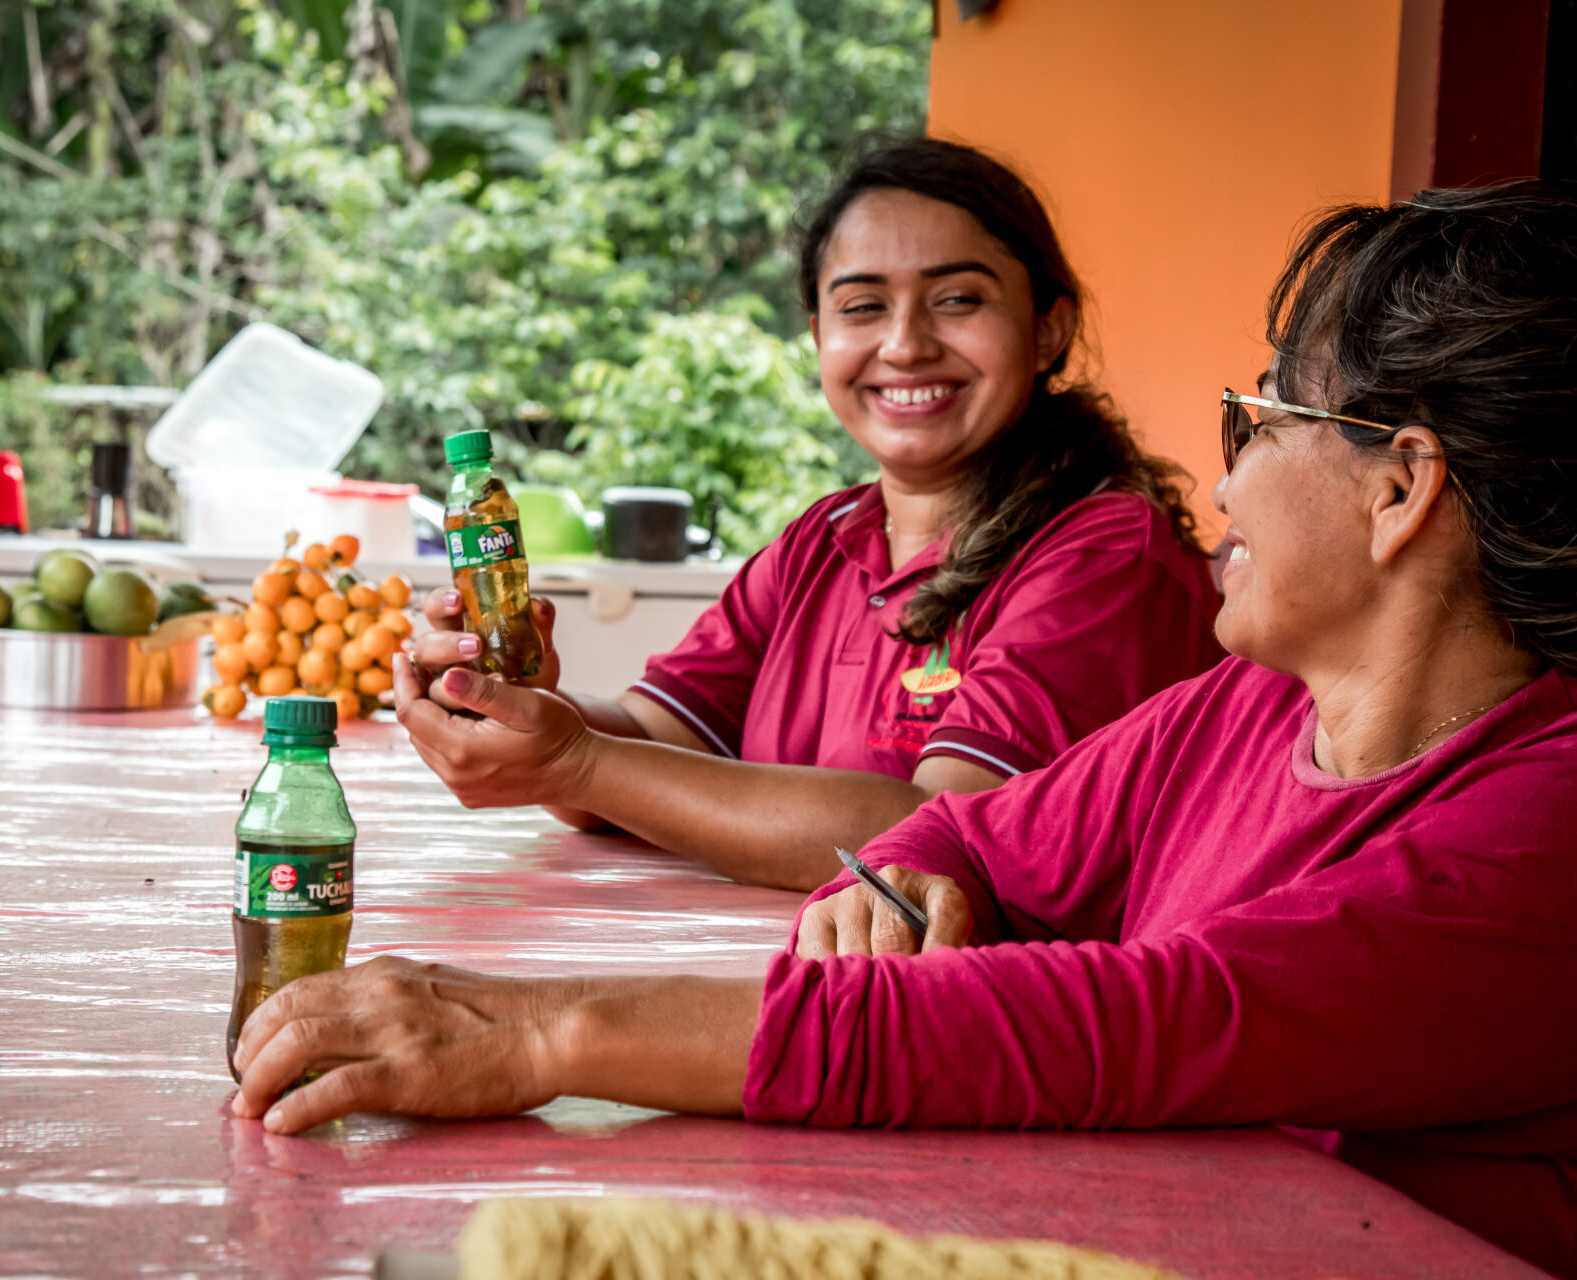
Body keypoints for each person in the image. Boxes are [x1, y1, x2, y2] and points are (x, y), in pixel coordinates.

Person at [234, 181, 1577, 1276]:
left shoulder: (1544, 824)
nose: (1227, 465)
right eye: (860, 305)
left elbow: (1154, 1014)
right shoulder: (1249, 707)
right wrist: (927, 870)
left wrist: (548, 1034)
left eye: (1267, 413)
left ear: (1401, 488)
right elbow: (967, 830)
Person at [391, 137, 1223, 892]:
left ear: (1048, 329)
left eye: (958, 300)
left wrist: (574, 762)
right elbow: (648, 743)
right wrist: (512, 706)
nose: (904, 345)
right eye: (863, 307)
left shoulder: (1107, 551)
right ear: (818, 333)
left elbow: (945, 847)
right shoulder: (821, 544)